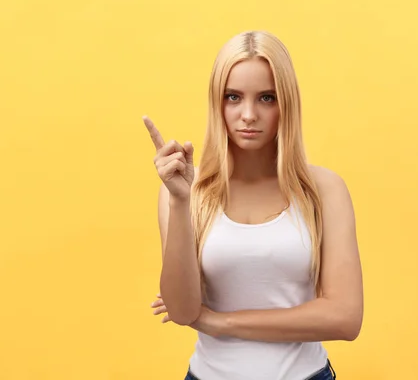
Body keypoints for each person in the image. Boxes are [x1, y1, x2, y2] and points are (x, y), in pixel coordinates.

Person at [143, 30, 363, 380]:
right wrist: (180, 201)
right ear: (218, 103)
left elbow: (345, 318)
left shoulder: (324, 189)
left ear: (286, 104)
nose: (248, 114)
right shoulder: (185, 190)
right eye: (233, 97)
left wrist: (222, 321)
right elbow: (184, 310)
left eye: (266, 98)